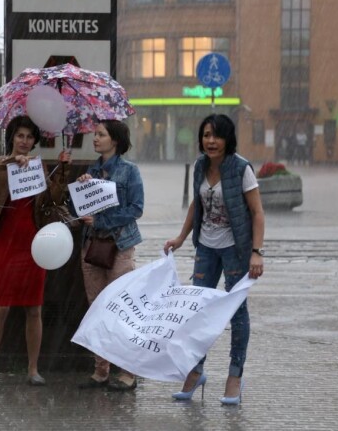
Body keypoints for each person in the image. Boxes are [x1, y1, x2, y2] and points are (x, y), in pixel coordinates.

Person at [163, 113, 265, 405]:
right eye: (207, 135)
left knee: (236, 312)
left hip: (235, 249)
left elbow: (257, 212)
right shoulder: (199, 166)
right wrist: (181, 237)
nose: (211, 141)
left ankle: (235, 376)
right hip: (205, 248)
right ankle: (196, 371)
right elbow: (197, 204)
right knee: (197, 310)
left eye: (217, 136)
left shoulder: (240, 169)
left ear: (227, 139)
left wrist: (257, 252)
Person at [0, 115, 71, 387]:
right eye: (20, 136)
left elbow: (55, 199)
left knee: (34, 310)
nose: (25, 141)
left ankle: (33, 369)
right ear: (12, 138)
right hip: (6, 242)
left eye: (29, 137)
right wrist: (8, 161)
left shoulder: (40, 167)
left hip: (34, 244)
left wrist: (61, 170)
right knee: (0, 308)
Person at [76, 120, 144, 392]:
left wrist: (102, 221)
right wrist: (82, 188)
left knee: (121, 308)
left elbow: (136, 208)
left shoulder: (130, 172)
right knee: (97, 308)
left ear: (114, 140)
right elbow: (80, 208)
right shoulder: (91, 171)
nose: (95, 138)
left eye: (100, 134)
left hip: (120, 246)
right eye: (95, 134)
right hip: (91, 247)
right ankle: (100, 369)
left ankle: (128, 371)